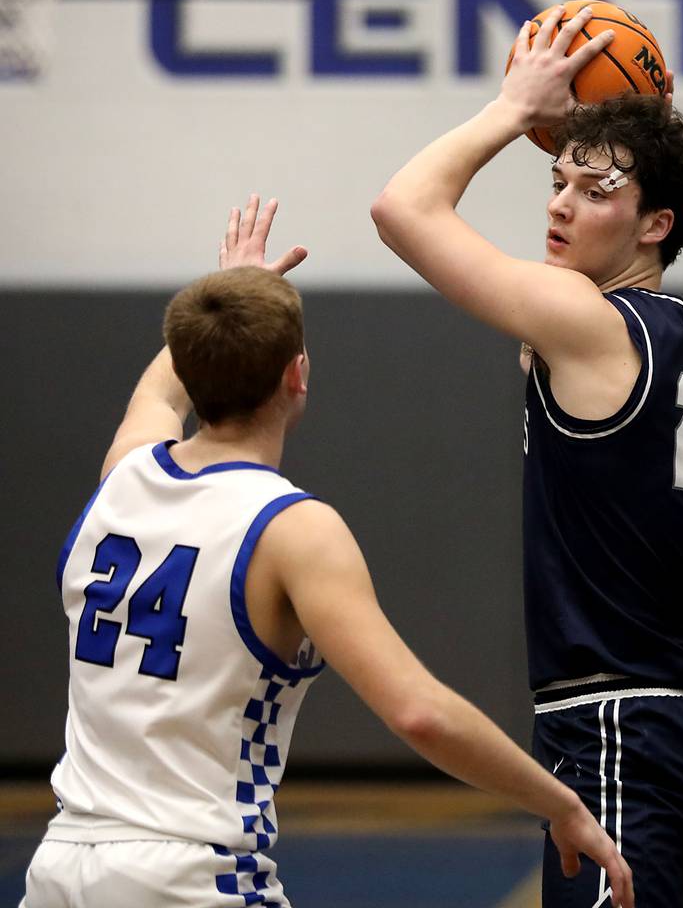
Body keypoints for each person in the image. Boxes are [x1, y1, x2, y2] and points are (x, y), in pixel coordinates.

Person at [21, 194, 633, 908]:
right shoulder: (290, 528)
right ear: (297, 376)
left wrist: (228, 295)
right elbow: (419, 713)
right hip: (192, 877)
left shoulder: (123, 472)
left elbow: (160, 392)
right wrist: (560, 802)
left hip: (61, 867)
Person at [371, 4, 683, 908]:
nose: (561, 204)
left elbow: (402, 209)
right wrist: (628, 127)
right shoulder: (682, 344)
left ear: (657, 225)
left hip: (616, 727)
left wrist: (511, 106)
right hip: (662, 722)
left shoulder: (586, 325)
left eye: (596, 193)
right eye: (558, 180)